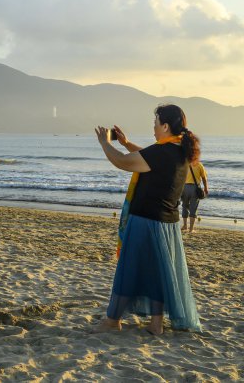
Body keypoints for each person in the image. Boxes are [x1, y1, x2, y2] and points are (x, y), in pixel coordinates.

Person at [94, 103, 202, 335]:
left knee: (127, 269)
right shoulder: (178, 150)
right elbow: (147, 156)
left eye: (155, 123)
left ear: (164, 125)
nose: (153, 128)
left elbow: (123, 161)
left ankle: (113, 320)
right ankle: (156, 324)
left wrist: (106, 143)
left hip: (145, 220)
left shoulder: (161, 153)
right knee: (157, 273)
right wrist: (125, 143)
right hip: (168, 223)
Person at [181, 161, 208, 233]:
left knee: (184, 206)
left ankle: (184, 226)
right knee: (193, 207)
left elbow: (180, 176)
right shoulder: (199, 164)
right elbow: (204, 178)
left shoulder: (185, 164)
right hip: (195, 188)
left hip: (185, 187)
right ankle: (191, 228)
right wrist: (206, 188)